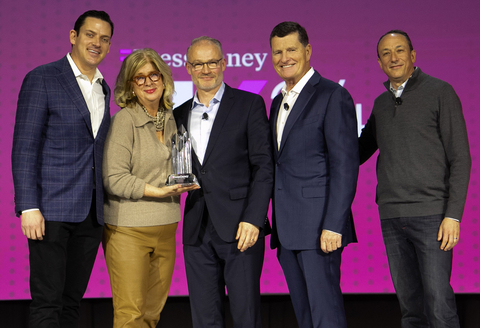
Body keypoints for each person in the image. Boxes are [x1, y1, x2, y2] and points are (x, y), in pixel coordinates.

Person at [359, 30, 471, 328]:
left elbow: (461, 158)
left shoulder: (439, 92)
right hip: (392, 217)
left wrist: (453, 215)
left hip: (432, 217)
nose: (393, 58)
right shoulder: (381, 104)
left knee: (439, 307)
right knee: (411, 310)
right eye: (386, 53)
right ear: (380, 62)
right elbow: (357, 152)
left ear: (413, 56)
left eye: (399, 50)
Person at [11, 10, 114, 328]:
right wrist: (28, 206)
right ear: (74, 36)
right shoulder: (42, 77)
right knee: (47, 303)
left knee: (72, 303)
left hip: (91, 215)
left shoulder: (103, 87)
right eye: (90, 34)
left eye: (105, 38)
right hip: (51, 212)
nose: (97, 42)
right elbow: (24, 146)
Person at [173, 36, 273, 328]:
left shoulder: (249, 104)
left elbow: (264, 167)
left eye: (212, 62)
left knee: (246, 316)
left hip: (241, 227)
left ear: (224, 64)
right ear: (188, 68)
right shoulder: (177, 114)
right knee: (204, 319)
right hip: (196, 230)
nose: (206, 69)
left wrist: (254, 219)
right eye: (198, 64)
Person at [269, 22, 359, 328]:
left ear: (307, 51)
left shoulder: (333, 95)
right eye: (277, 52)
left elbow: (345, 167)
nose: (284, 58)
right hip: (287, 229)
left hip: (321, 229)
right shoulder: (276, 103)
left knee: (326, 315)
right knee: (305, 316)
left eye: (291, 49)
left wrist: (334, 225)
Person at [102, 48, 198, 328]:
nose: (148, 82)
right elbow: (114, 178)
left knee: (152, 315)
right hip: (128, 232)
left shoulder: (170, 119)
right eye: (139, 78)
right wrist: (157, 192)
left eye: (153, 74)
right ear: (130, 86)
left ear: (164, 78)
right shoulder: (125, 121)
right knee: (130, 315)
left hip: (167, 228)